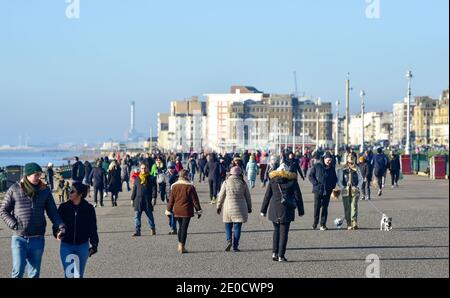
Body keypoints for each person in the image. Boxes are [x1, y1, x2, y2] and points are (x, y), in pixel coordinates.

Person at [0, 162, 66, 278]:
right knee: (18, 271)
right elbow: (3, 210)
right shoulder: (14, 188)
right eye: (36, 174)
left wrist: (60, 226)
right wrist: (14, 225)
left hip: (38, 238)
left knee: (34, 273)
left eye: (40, 174)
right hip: (19, 238)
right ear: (27, 175)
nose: (39, 177)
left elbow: (53, 212)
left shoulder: (45, 190)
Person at [260, 163, 304, 262]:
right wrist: (301, 210)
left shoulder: (273, 181)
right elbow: (298, 197)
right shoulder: (293, 182)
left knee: (276, 231)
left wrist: (263, 210)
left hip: (274, 209)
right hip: (287, 209)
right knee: (284, 233)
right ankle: (281, 255)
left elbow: (267, 196)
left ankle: (274, 253)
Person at [56, 182, 98, 278]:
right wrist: (57, 232)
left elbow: (92, 227)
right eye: (69, 190)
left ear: (80, 194)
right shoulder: (63, 207)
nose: (69, 193)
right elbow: (57, 223)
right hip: (66, 245)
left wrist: (94, 244)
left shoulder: (89, 208)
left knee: (78, 275)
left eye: (72, 191)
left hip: (82, 246)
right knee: (69, 274)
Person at [165, 169, 202, 253]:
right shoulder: (190, 186)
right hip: (187, 210)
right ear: (185, 176)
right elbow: (195, 200)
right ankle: (182, 246)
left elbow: (171, 200)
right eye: (188, 175)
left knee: (180, 227)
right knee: (184, 228)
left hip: (177, 210)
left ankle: (179, 244)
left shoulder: (174, 186)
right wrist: (198, 210)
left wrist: (168, 210)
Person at [216, 166, 252, 252]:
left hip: (228, 207)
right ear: (240, 174)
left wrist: (219, 206)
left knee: (228, 226)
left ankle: (229, 240)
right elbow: (248, 197)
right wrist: (249, 207)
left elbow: (221, 195)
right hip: (240, 208)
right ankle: (235, 246)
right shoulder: (243, 183)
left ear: (230, 173)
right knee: (237, 227)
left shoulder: (226, 182)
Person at [308, 152, 338, 230]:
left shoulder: (332, 167)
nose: (329, 162)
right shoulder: (317, 166)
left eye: (330, 160)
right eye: (328, 160)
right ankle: (315, 223)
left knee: (325, 207)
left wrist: (332, 188)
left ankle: (323, 224)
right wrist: (315, 184)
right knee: (317, 207)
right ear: (324, 159)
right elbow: (310, 175)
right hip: (318, 190)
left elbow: (335, 179)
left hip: (327, 191)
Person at [337, 154, 363, 230]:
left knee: (354, 207)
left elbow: (361, 179)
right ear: (347, 159)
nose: (351, 159)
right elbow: (339, 181)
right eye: (350, 158)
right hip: (345, 190)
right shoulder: (343, 169)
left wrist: (358, 187)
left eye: (352, 158)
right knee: (347, 208)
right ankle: (349, 223)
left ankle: (354, 223)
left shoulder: (357, 168)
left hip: (355, 190)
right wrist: (342, 187)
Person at [131, 163, 157, 236]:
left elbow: (154, 189)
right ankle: (137, 231)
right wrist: (132, 199)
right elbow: (134, 189)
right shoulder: (137, 178)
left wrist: (154, 197)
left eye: (145, 168)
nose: (143, 170)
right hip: (138, 200)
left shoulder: (151, 178)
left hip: (147, 200)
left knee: (150, 216)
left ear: (147, 169)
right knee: (137, 216)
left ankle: (152, 228)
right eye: (142, 168)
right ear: (140, 169)